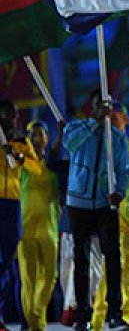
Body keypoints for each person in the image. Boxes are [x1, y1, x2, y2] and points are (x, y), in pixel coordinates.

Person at [62, 97, 129, 331]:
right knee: (80, 258)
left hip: (105, 202)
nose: (104, 110)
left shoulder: (118, 138)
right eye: (99, 106)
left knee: (112, 257)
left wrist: (120, 192)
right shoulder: (77, 127)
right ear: (92, 109)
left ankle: (115, 312)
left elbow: (125, 170)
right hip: (78, 202)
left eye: (108, 107)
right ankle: (82, 314)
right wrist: (94, 122)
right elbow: (69, 143)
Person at [0, 100, 42, 330]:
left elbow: (36, 168)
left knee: (6, 261)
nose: (14, 118)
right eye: (9, 114)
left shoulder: (21, 142)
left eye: (15, 115)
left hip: (13, 204)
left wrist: (17, 156)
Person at [18, 120, 62, 331]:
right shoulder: (20, 162)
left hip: (49, 228)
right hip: (25, 228)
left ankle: (36, 314)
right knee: (29, 279)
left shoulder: (53, 163)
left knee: (50, 277)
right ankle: (35, 323)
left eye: (40, 134)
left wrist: (62, 134)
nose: (37, 139)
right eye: (32, 135)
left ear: (47, 138)